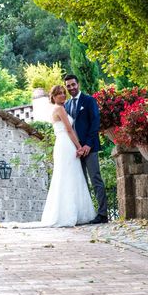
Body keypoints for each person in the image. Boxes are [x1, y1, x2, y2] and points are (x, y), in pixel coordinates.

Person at [40, 85, 96, 227]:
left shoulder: (59, 108)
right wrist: (79, 147)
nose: (63, 96)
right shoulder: (59, 109)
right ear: (53, 97)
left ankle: (74, 212)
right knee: (68, 176)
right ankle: (67, 214)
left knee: (70, 175)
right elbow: (69, 130)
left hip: (63, 143)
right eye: (59, 94)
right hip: (66, 144)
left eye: (63, 93)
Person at [64, 74, 109, 224]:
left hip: (90, 147)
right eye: (68, 86)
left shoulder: (89, 101)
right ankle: (85, 214)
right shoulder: (67, 105)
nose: (71, 88)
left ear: (78, 84)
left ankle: (102, 214)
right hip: (76, 150)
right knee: (80, 182)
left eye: (73, 84)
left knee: (95, 179)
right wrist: (77, 147)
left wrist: (88, 145)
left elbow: (95, 122)